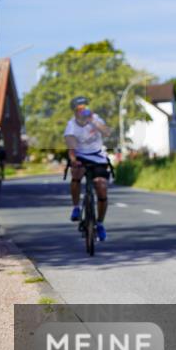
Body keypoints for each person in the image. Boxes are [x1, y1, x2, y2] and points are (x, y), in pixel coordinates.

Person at [64, 96, 112, 241]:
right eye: (79, 109)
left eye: (85, 108)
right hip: (80, 157)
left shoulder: (95, 118)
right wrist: (74, 161)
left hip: (98, 157)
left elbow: (107, 133)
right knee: (76, 173)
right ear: (74, 112)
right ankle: (76, 207)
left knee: (101, 186)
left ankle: (100, 223)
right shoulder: (71, 125)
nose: (82, 111)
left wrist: (93, 122)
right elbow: (71, 147)